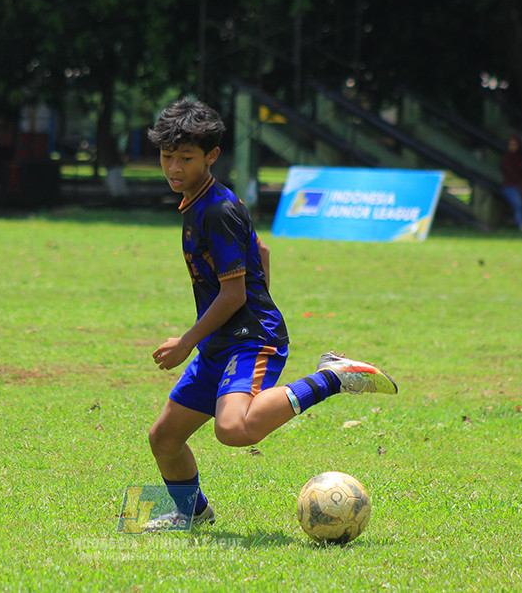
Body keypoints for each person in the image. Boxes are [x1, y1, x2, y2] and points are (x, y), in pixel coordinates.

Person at [143, 98, 398, 530]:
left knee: (233, 429)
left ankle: (332, 377)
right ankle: (192, 514)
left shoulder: (217, 211)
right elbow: (260, 249)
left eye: (186, 158)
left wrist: (187, 341)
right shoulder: (203, 200)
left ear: (212, 157)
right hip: (223, 339)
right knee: (164, 438)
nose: (174, 168)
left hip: (249, 337)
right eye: (167, 157)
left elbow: (232, 293)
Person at [501, 133, 522, 231]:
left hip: (519, 186)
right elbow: (511, 173)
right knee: (519, 204)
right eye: (510, 144)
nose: (512, 147)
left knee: (521, 204)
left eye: (514, 144)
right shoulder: (507, 158)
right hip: (510, 186)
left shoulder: (521, 157)